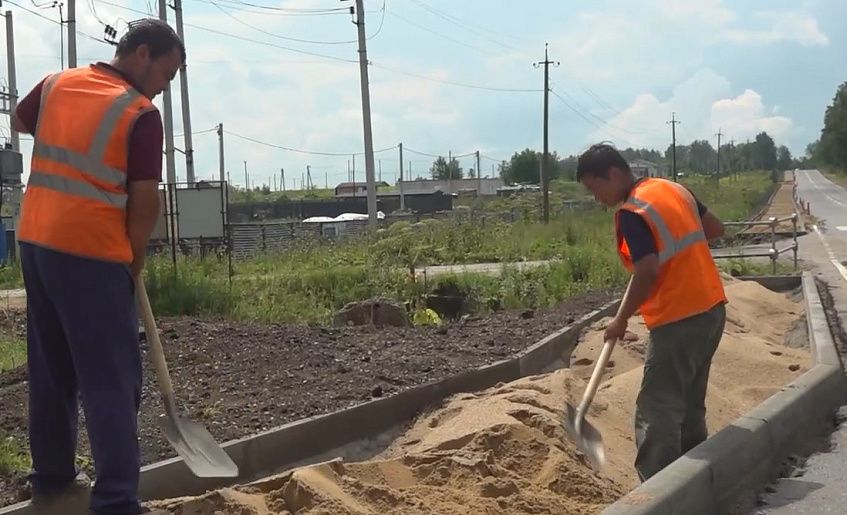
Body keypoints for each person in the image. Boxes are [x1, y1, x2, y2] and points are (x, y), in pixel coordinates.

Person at [11, 19, 184, 515]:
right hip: (92, 253)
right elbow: (145, 200)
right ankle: (115, 503)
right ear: (143, 55)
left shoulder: (56, 84)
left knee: (52, 370)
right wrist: (133, 257)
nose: (164, 89)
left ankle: (52, 480)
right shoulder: (139, 112)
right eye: (166, 76)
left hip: (38, 243)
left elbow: (22, 123)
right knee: (111, 380)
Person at [576, 143, 728, 482]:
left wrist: (620, 319)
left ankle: (659, 492)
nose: (595, 197)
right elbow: (715, 229)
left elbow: (646, 271)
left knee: (657, 409)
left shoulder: (633, 212)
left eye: (594, 187)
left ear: (613, 174)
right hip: (713, 310)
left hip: (678, 320)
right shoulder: (672, 189)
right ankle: (694, 480)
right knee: (690, 404)